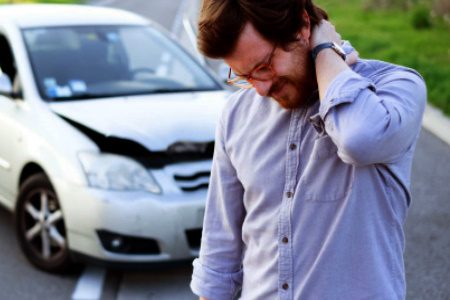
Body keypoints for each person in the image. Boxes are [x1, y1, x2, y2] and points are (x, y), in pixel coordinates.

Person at [190, 0, 426, 299]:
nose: (260, 89)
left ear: (303, 26)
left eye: (264, 66)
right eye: (244, 76)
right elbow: (219, 255)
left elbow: (360, 140)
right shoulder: (236, 114)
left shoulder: (394, 88)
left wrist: (325, 51)